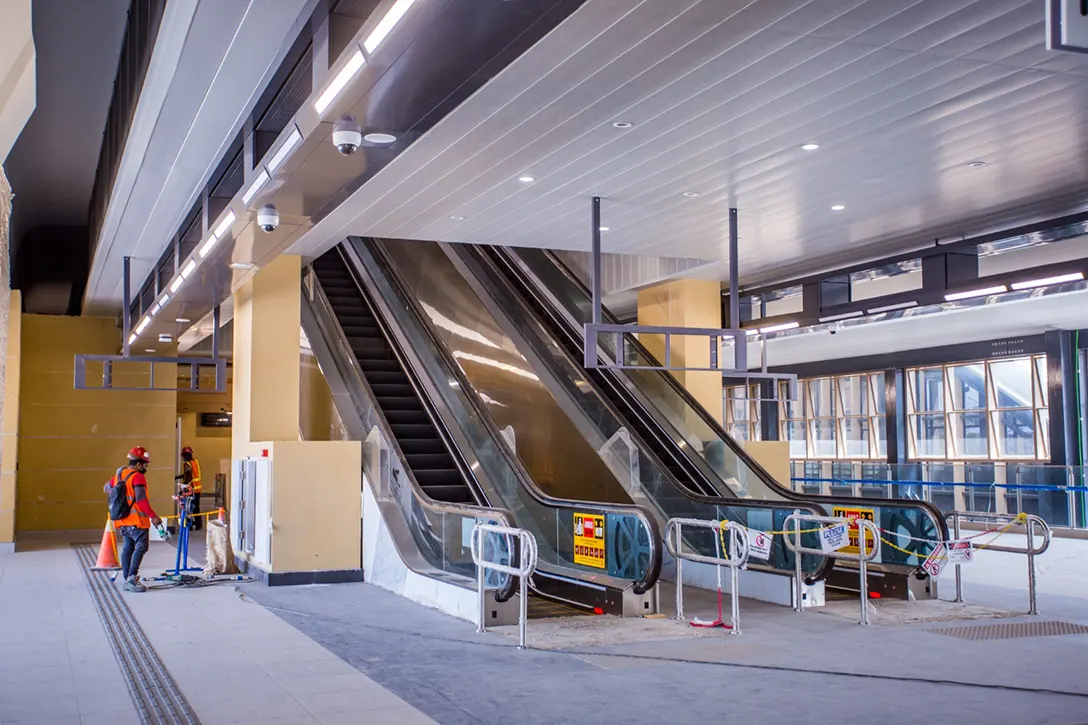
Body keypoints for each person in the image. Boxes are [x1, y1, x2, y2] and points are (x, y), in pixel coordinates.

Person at [106, 447, 162, 592]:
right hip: (137, 521)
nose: (145, 468)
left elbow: (106, 488)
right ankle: (131, 578)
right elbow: (142, 501)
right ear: (138, 464)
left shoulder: (120, 475)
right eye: (145, 464)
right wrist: (154, 517)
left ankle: (127, 578)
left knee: (128, 546)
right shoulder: (138, 477)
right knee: (141, 547)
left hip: (122, 520)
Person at [179, 446, 202, 530]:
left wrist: (183, 487)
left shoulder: (187, 464)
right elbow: (192, 474)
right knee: (196, 507)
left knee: (188, 508)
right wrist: (179, 477)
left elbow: (188, 477)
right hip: (197, 489)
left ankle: (190, 525)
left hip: (191, 490)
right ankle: (198, 524)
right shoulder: (195, 462)